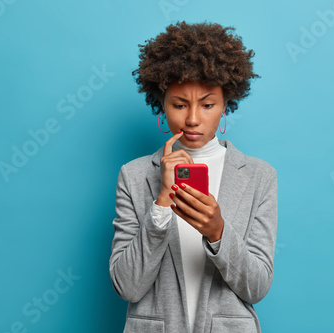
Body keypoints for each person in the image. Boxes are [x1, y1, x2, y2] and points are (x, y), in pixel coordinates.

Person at [109, 21, 278, 333]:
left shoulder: (259, 176)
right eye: (179, 104)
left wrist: (218, 233)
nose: (192, 119)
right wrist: (160, 206)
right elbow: (127, 286)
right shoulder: (132, 176)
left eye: (208, 104)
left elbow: (257, 287)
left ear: (227, 103)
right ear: (161, 103)